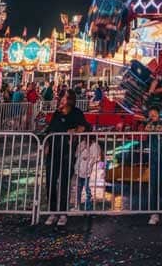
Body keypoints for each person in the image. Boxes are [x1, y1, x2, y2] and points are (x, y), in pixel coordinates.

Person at [43, 92, 87, 226]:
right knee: (50, 181)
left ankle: (62, 212)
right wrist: (47, 144)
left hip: (67, 152)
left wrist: (74, 132)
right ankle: (52, 211)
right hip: (54, 151)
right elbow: (50, 129)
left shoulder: (77, 113)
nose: (62, 101)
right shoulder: (57, 113)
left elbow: (83, 127)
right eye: (61, 98)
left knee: (63, 182)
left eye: (65, 99)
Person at [145, 106, 162, 225]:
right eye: (150, 113)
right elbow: (146, 130)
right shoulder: (149, 124)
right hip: (154, 158)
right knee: (154, 185)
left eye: (154, 112)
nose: (152, 115)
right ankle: (154, 213)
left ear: (158, 113)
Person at [74, 121, 102, 212]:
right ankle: (77, 205)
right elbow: (77, 154)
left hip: (87, 170)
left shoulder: (94, 145)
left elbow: (95, 157)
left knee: (87, 189)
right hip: (79, 169)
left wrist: (89, 164)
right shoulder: (82, 144)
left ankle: (88, 207)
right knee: (79, 188)